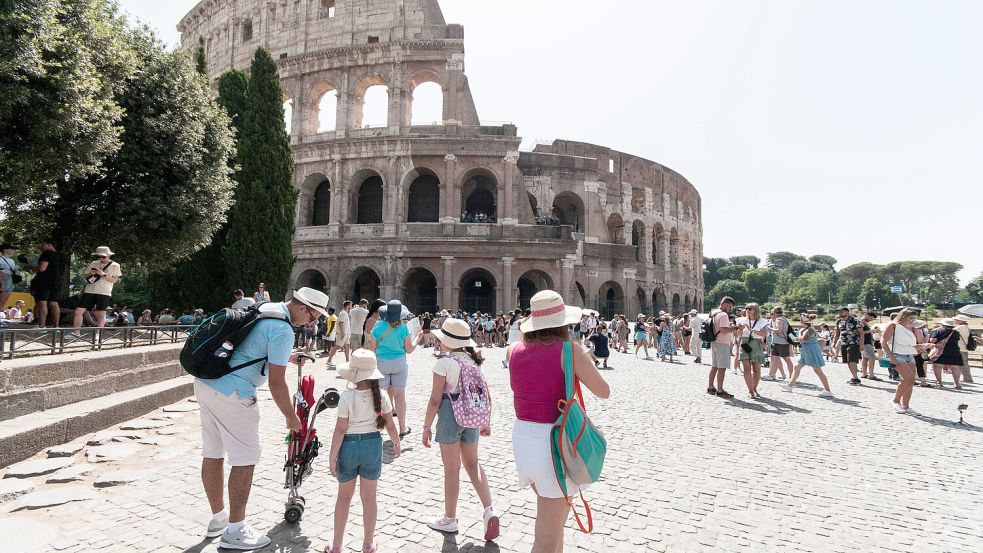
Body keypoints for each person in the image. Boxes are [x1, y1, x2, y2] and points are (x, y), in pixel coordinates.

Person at [195, 287, 328, 550]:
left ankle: (218, 518)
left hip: (207, 383)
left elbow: (249, 346)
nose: (313, 322)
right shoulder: (283, 329)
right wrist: (291, 417)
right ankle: (235, 530)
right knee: (245, 459)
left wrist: (286, 357)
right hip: (235, 393)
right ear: (302, 307)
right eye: (313, 316)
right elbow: (277, 384)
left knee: (213, 452)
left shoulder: (268, 309)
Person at [506, 290, 609, 553]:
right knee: (546, 541)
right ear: (563, 323)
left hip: (524, 442)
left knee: (555, 527)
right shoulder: (570, 350)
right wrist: (583, 359)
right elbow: (603, 391)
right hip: (553, 446)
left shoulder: (513, 350)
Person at [421, 318, 499, 540]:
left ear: (447, 341)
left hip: (449, 415)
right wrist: (485, 421)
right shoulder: (473, 362)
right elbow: (485, 394)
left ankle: (450, 518)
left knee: (452, 469)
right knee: (473, 464)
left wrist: (426, 426)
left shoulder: (444, 363)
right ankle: (489, 510)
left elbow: (435, 399)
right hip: (472, 416)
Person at [325, 349, 401, 553]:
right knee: (369, 498)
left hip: (348, 446)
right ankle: (368, 544)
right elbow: (390, 425)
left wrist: (333, 456)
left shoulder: (347, 396)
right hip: (372, 445)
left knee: (343, 498)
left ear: (353, 374)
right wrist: (395, 443)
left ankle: (337, 545)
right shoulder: (382, 395)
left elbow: (340, 429)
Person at [370, 300, 418, 438]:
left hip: (381, 363)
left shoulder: (378, 326)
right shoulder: (404, 328)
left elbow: (372, 349)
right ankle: (402, 427)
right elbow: (409, 350)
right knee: (400, 395)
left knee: (381, 395)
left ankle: (381, 426)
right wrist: (417, 339)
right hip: (399, 363)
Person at [71, 246, 122, 336]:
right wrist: (92, 273)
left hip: (104, 292)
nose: (101, 258)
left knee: (101, 314)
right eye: (98, 256)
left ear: (108, 255)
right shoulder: (93, 263)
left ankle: (98, 334)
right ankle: (76, 332)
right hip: (89, 291)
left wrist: (103, 275)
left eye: (103, 256)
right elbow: (86, 277)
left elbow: (114, 280)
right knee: (78, 311)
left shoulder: (115, 265)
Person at [882, 308, 924, 414]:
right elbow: (883, 341)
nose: (913, 320)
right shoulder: (893, 325)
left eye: (914, 318)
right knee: (908, 379)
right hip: (897, 354)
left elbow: (910, 344)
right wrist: (891, 356)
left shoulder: (909, 328)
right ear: (904, 316)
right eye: (911, 318)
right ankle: (895, 400)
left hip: (909, 354)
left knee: (911, 381)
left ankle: (906, 406)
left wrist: (924, 346)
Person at [783, 315, 833, 396]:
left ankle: (828, 390)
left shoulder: (810, 329)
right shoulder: (805, 329)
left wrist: (793, 336)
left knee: (818, 370)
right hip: (806, 350)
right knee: (797, 367)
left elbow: (801, 339)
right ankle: (790, 385)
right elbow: (799, 338)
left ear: (803, 322)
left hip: (811, 350)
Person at [27, 239, 62, 328]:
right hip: (56, 282)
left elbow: (42, 268)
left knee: (42, 303)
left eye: (42, 245)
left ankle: (41, 326)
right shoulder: (61, 256)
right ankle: (56, 326)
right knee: (54, 303)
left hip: (43, 281)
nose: (40, 247)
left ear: (50, 245)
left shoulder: (46, 254)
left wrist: (31, 268)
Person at [707, 297, 738, 399]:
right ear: (725, 304)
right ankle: (720, 390)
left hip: (715, 342)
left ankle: (710, 387)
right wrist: (735, 327)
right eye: (730, 307)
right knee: (722, 368)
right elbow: (724, 330)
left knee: (714, 366)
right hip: (722, 344)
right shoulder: (724, 315)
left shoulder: (715, 313)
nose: (730, 309)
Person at [737, 303, 768, 399]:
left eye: (750, 308)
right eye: (746, 308)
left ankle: (754, 388)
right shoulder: (742, 320)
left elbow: (763, 334)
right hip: (745, 342)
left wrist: (750, 329)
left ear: (755, 310)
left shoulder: (763, 322)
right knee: (746, 368)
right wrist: (740, 329)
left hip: (756, 344)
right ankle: (750, 390)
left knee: (756, 369)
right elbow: (738, 334)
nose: (747, 310)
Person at [930, 318, 964, 389]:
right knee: (955, 367)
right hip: (954, 351)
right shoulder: (956, 332)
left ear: (942, 324)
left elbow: (932, 340)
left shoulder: (937, 331)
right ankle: (957, 384)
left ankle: (939, 383)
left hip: (940, 351)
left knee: (937, 366)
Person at [832, 307, 863, 385]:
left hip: (854, 342)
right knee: (847, 361)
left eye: (841, 312)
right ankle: (854, 377)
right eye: (839, 312)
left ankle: (856, 378)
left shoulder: (855, 320)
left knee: (852, 360)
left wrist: (862, 344)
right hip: (844, 343)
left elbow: (861, 333)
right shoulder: (839, 321)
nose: (840, 313)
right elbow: (837, 332)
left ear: (847, 312)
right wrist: (834, 342)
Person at [765, 307, 792, 381]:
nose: (772, 315)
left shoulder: (779, 319)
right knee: (774, 359)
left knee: (786, 359)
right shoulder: (784, 318)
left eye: (772, 313)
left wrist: (769, 328)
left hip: (781, 343)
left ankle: (791, 376)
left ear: (775, 313)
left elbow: (778, 331)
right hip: (778, 342)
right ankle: (771, 375)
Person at [859, 312, 882, 381]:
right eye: (871, 318)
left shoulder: (864, 322)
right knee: (872, 358)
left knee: (865, 358)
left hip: (866, 342)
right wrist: (872, 331)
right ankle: (871, 375)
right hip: (865, 343)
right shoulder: (861, 322)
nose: (871, 320)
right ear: (866, 315)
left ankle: (864, 373)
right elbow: (860, 332)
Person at [953, 314, 975, 383]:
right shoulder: (966, 327)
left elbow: (952, 331)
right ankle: (967, 378)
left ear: (961, 320)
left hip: (960, 347)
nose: (955, 321)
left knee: (963, 364)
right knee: (964, 363)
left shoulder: (960, 327)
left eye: (957, 320)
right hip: (964, 347)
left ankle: (967, 378)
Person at [0, 243, 20, 309]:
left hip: (10, 282)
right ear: (5, 250)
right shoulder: (0, 259)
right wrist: (1, 283)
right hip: (2, 281)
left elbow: (15, 272)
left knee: (4, 301)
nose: (14, 251)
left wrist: (18, 271)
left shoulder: (12, 261)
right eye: (12, 249)